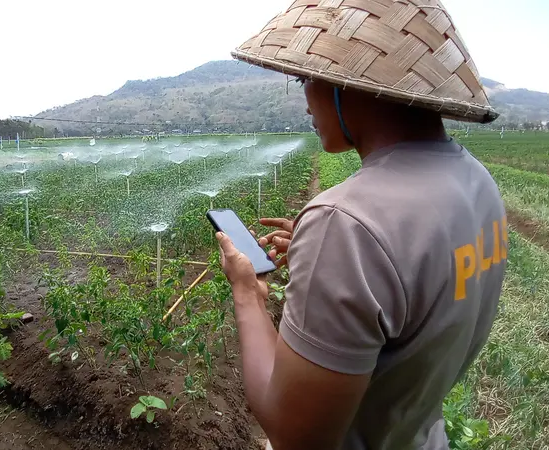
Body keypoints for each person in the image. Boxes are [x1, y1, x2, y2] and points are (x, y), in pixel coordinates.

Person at [217, 1, 507, 449]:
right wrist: (329, 271)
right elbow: (411, 296)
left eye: (305, 78)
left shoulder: (347, 224)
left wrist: (247, 293)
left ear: (345, 84)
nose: (305, 99)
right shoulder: (477, 183)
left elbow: (295, 435)